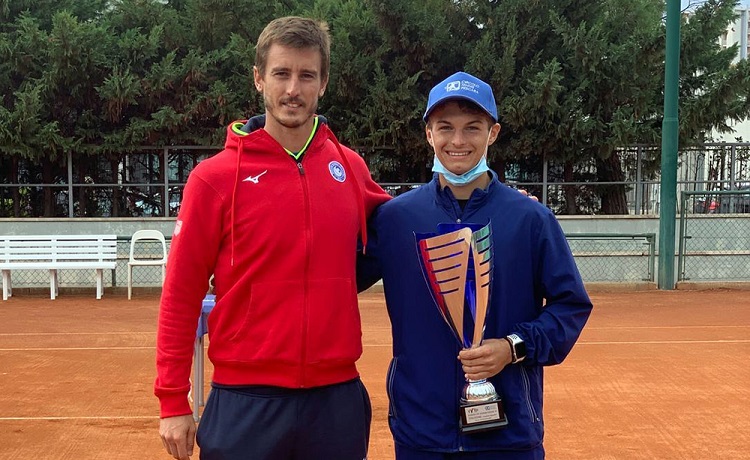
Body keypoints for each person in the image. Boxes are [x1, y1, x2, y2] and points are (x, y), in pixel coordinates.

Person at [155, 16, 391, 460]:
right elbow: (181, 294)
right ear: (259, 78)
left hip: (335, 400)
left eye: (307, 75)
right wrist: (172, 399)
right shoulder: (213, 179)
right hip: (246, 400)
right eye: (281, 73)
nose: (293, 89)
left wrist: (489, 201)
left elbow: (406, 226)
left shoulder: (351, 168)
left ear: (323, 83)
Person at [358, 71, 593, 459]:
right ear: (428, 134)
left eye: (473, 127)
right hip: (421, 432)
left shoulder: (529, 219)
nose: (458, 141)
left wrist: (513, 347)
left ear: (493, 133)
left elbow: (571, 306)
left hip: (510, 433)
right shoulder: (395, 219)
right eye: (445, 127)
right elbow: (333, 275)